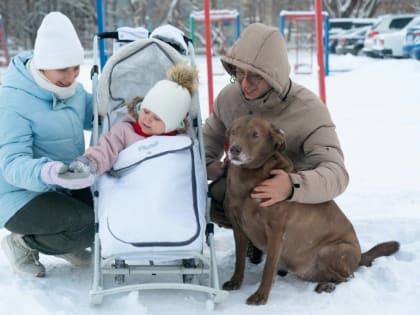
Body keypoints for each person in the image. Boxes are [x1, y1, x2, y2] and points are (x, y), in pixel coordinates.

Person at [203, 23, 349, 264]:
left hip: (292, 204)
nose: (245, 84)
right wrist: (211, 166)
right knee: (216, 194)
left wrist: (292, 186)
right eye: (239, 73)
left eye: (256, 76)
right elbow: (207, 142)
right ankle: (255, 240)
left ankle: (294, 247)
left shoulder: (308, 110)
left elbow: (336, 173)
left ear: (274, 76)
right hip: (247, 188)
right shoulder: (229, 99)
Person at [0, 12, 95, 277]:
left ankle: (64, 241)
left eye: (76, 67)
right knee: (84, 226)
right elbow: (11, 165)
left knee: (105, 212)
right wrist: (48, 172)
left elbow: (94, 115)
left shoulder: (71, 90)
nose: (72, 76)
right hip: (19, 195)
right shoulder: (13, 100)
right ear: (43, 65)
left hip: (63, 182)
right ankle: (21, 242)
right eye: (63, 69)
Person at [68, 63, 198, 177]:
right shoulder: (125, 131)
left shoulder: (180, 142)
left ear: (173, 125)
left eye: (157, 118)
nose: (147, 119)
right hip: (130, 186)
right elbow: (106, 149)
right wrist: (91, 162)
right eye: (146, 111)